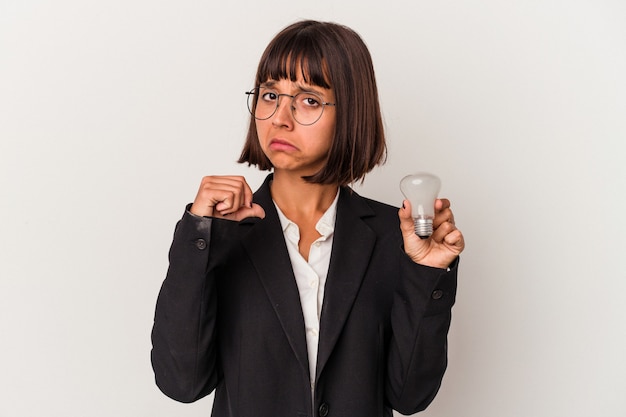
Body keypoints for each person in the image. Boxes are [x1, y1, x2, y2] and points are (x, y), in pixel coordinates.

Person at [151, 20, 464, 417]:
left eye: (309, 100)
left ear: (350, 112)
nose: (280, 117)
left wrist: (428, 271)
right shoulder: (220, 234)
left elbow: (409, 396)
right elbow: (181, 383)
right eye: (269, 95)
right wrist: (199, 237)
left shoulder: (393, 237)